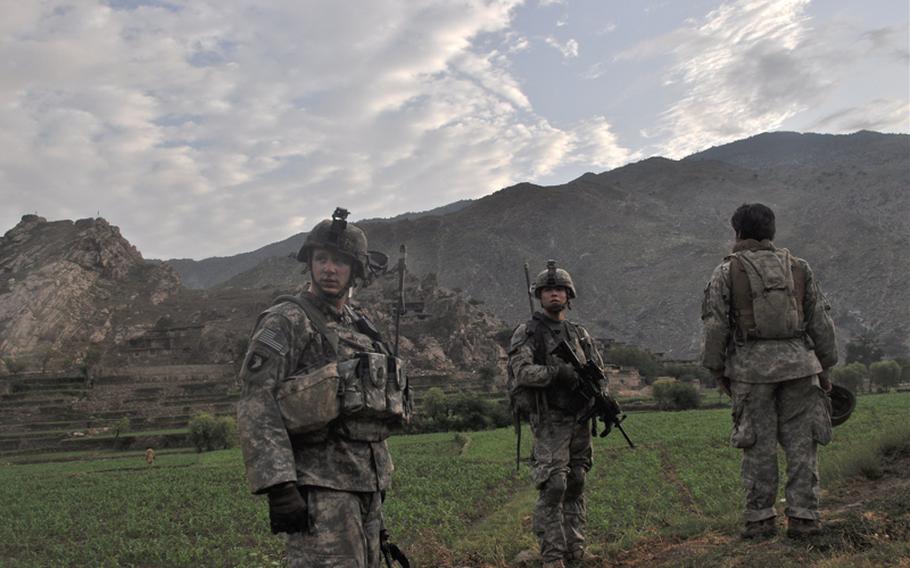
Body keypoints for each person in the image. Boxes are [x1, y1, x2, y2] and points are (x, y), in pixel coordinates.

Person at [237, 208, 410, 567]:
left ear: (355, 271)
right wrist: (280, 486)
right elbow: (257, 401)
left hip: (369, 484)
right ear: (310, 263)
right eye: (322, 259)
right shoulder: (286, 320)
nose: (329, 269)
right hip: (320, 486)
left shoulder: (362, 325)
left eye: (340, 262)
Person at [701, 203, 838, 539]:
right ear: (771, 232)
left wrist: (717, 369)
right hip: (799, 366)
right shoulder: (798, 268)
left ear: (738, 233)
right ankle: (805, 518)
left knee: (757, 446)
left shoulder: (726, 271)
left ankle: (761, 520)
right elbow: (820, 320)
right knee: (802, 446)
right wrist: (825, 366)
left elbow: (715, 326)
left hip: (751, 371)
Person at [507, 260, 604, 567]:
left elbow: (599, 371)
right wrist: (556, 373)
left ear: (568, 294)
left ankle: (576, 550)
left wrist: (600, 397)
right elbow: (521, 373)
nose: (554, 294)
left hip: (579, 418)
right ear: (539, 295)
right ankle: (552, 556)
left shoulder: (580, 333)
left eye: (559, 289)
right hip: (549, 419)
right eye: (548, 289)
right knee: (554, 486)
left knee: (576, 481)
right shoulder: (528, 332)